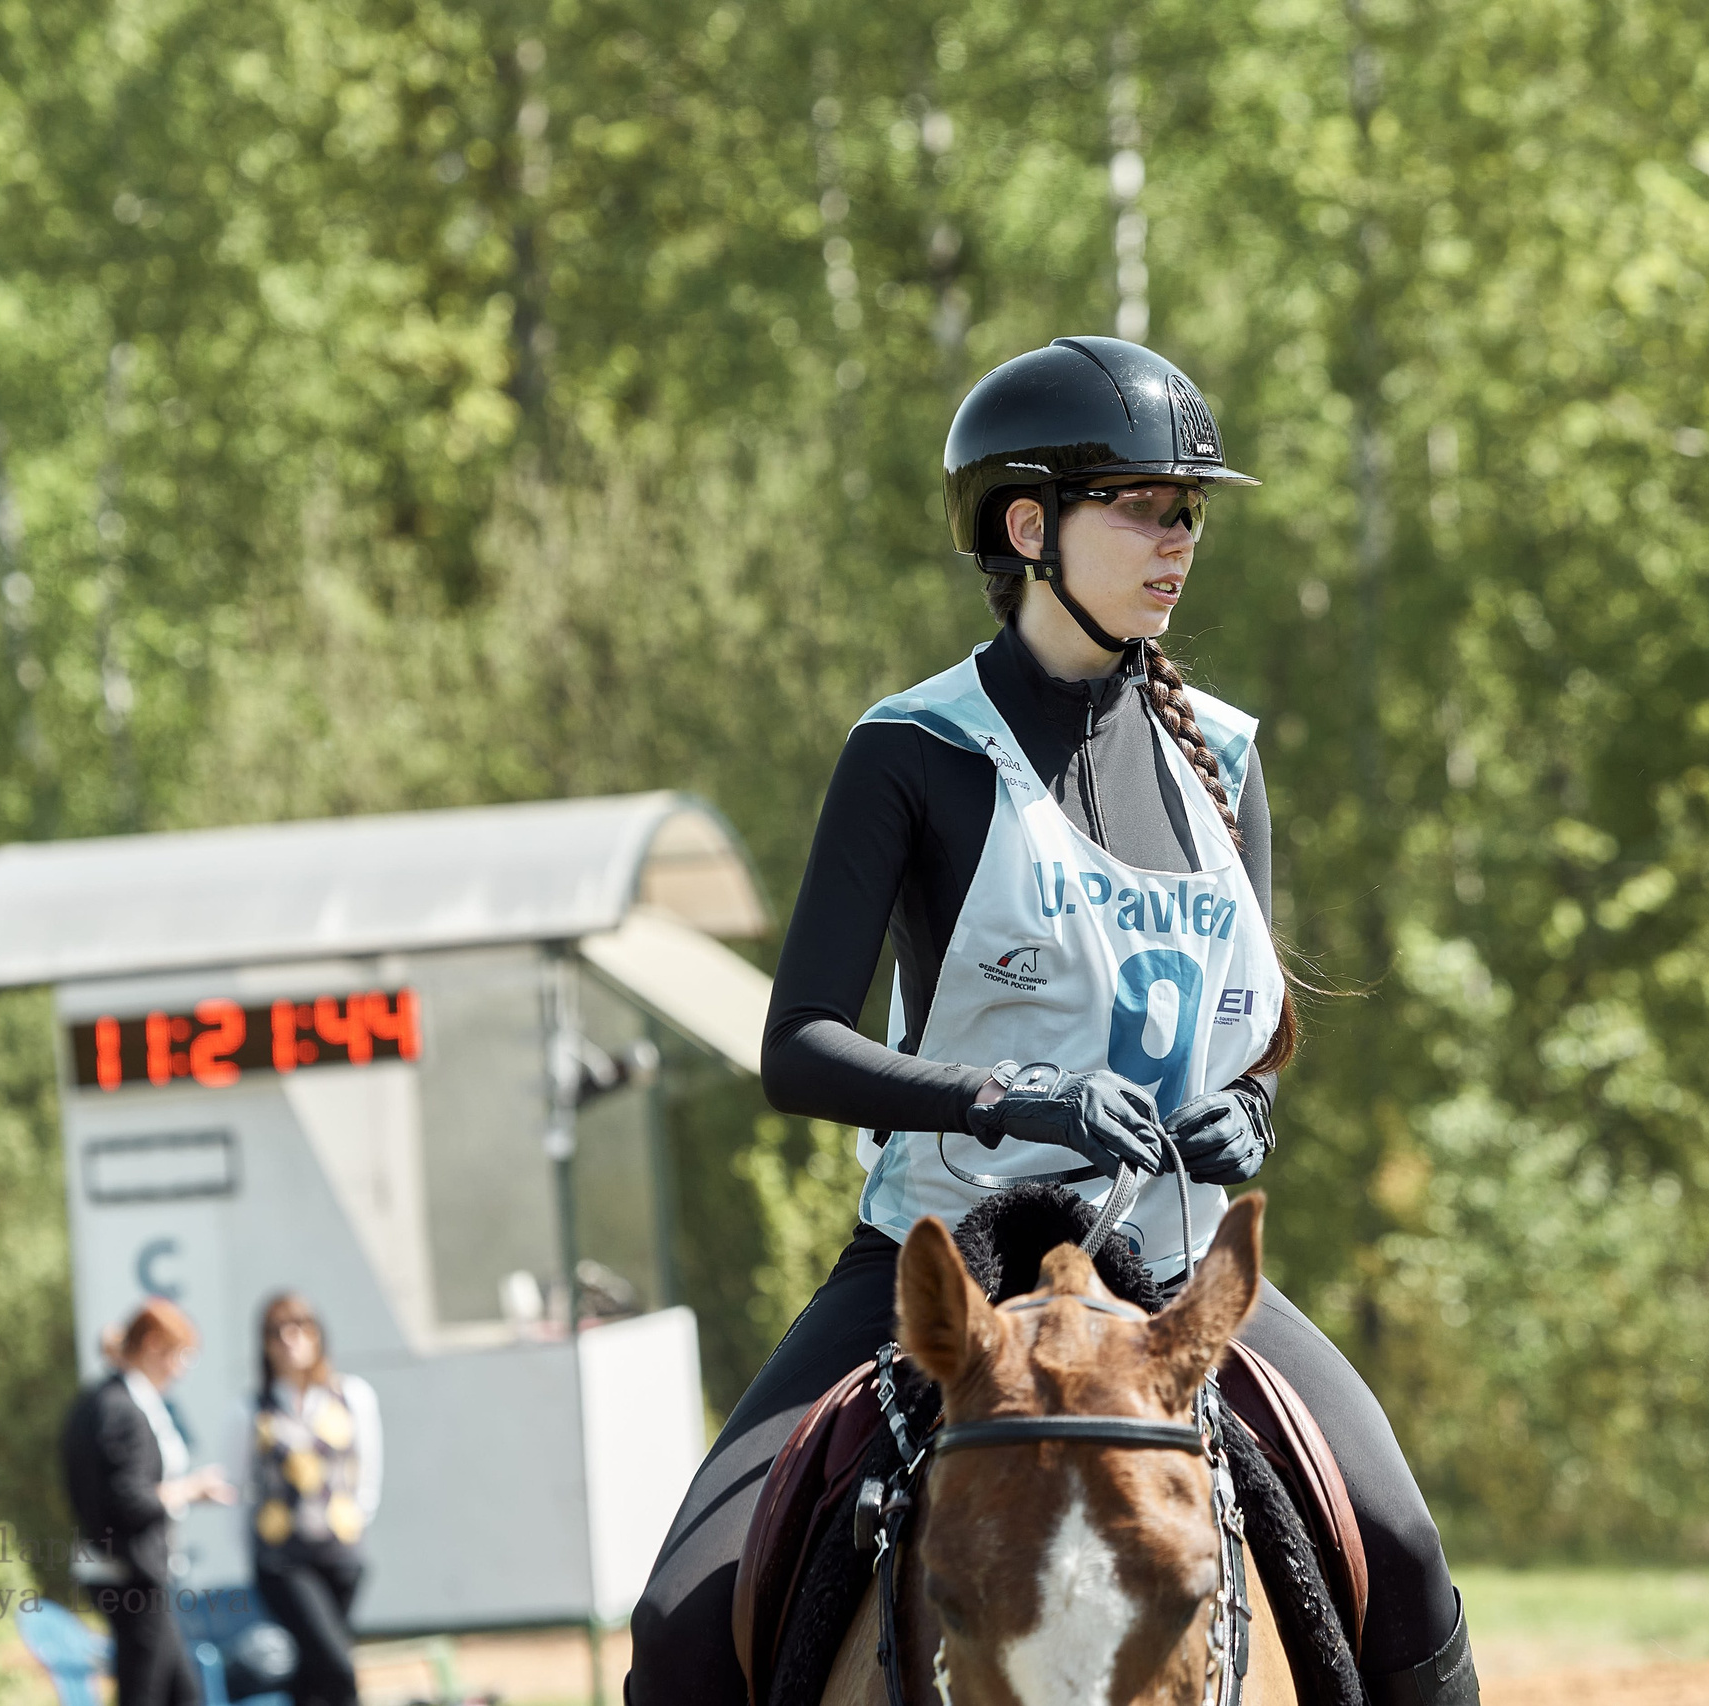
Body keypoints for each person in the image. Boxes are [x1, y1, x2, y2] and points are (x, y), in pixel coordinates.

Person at [625, 336, 1478, 1706]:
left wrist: (1245, 1114)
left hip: (1176, 1271)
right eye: (1142, 504)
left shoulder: (1230, 757)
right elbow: (798, 1046)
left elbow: (1251, 1043)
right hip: (953, 1270)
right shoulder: (915, 751)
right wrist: (1009, 1097)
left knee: (1409, 1559)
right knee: (680, 1619)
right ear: (1029, 526)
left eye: (1189, 509)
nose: (1178, 538)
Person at [59, 1297, 236, 1706]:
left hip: (122, 1571)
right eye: (182, 1355)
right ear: (155, 1345)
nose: (184, 1368)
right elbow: (130, 1500)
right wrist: (192, 1489)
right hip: (129, 1573)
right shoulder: (122, 1408)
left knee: (181, 1693)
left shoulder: (102, 1399)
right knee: (146, 1693)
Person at [229, 1291, 383, 1706]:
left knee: (311, 1670)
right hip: (284, 1558)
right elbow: (241, 1487)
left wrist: (352, 1520)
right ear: (265, 1344)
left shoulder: (351, 1396)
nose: (290, 1341)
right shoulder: (253, 1410)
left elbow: (367, 1472)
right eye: (278, 1332)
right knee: (337, 1666)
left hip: (340, 1553)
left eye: (300, 1329)